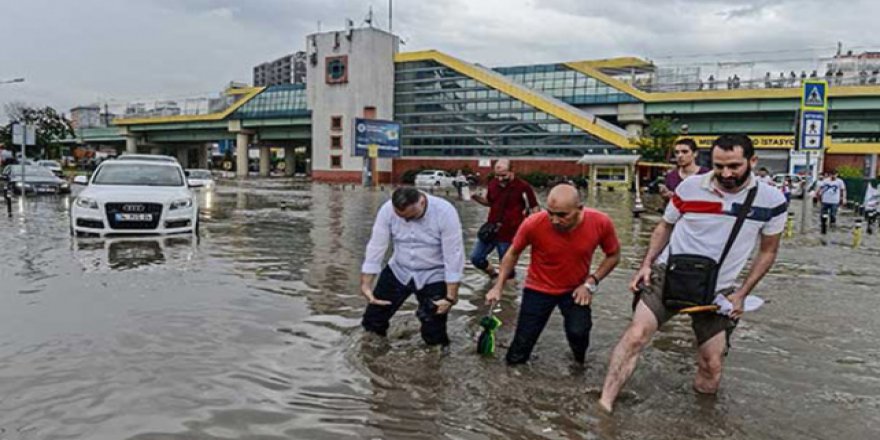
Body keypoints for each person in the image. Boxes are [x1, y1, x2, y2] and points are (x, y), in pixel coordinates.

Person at [599, 134, 787, 413]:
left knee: (711, 363)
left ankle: (702, 419)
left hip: (719, 288)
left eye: (734, 166)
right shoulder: (689, 188)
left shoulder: (771, 200)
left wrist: (741, 294)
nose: (726, 174)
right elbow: (664, 226)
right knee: (636, 336)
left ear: (752, 161)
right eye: (718, 166)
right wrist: (646, 264)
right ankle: (604, 407)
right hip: (669, 274)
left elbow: (768, 251)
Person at [485, 184, 621, 365]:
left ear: (579, 209)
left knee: (579, 334)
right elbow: (512, 253)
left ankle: (579, 367)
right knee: (519, 349)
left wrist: (591, 282)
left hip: (575, 289)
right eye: (551, 213)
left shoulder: (600, 222)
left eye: (562, 215)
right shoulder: (533, 223)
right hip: (538, 288)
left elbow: (613, 255)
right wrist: (498, 286)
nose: (555, 220)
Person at [360, 187, 465, 347]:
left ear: (422, 202)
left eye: (411, 216)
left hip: (434, 274)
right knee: (372, 321)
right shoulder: (387, 210)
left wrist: (450, 297)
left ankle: (436, 363)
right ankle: (373, 356)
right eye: (402, 218)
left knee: (433, 332)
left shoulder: (444, 212)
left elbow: (454, 255)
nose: (407, 221)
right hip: (398, 270)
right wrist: (366, 284)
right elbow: (376, 245)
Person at [471, 159, 539, 279]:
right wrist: (475, 197)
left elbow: (535, 208)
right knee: (476, 258)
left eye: (504, 175)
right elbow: (490, 202)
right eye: (497, 175)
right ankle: (492, 274)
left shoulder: (523, 187)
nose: (500, 179)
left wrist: (534, 227)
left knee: (507, 266)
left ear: (512, 171)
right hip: (490, 230)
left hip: (510, 233)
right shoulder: (492, 183)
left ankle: (509, 292)